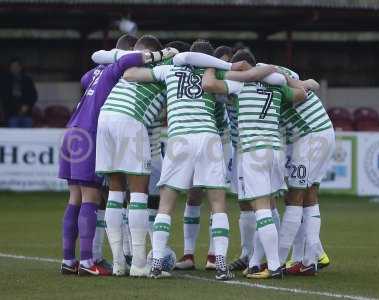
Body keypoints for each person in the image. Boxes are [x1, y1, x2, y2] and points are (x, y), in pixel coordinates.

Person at [122, 39, 279, 280]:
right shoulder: (215, 72)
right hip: (209, 138)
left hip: (180, 138)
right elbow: (251, 76)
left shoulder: (170, 69)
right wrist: (273, 69)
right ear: (210, 58)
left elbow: (130, 74)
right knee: (218, 204)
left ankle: (156, 263)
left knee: (167, 203)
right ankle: (221, 265)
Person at [59, 34, 173, 276]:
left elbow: (87, 72)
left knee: (83, 197)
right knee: (110, 195)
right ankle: (116, 263)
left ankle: (76, 260)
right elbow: (131, 62)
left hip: (76, 129)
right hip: (98, 129)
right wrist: (163, 55)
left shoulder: (101, 70)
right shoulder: (135, 66)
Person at [201, 49, 307, 279]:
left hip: (252, 151)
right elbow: (303, 94)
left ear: (243, 66)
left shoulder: (240, 86)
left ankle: (274, 266)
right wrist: (282, 77)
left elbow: (208, 84)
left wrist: (213, 66)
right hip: (275, 151)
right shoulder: (276, 87)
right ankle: (260, 262)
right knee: (269, 206)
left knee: (260, 209)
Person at [94, 35, 178, 277]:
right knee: (139, 194)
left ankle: (120, 263)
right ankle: (140, 264)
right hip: (130, 120)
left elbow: (99, 55)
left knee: (115, 192)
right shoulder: (165, 68)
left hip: (106, 117)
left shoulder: (125, 62)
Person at [175, 46, 234, 271]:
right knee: (193, 195)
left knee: (216, 198)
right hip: (201, 138)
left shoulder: (219, 75)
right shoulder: (195, 74)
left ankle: (212, 256)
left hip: (221, 140)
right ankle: (188, 255)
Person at [277, 66, 335, 275]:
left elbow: (306, 86)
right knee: (309, 193)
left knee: (296, 197)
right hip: (321, 134)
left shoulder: (271, 83)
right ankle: (307, 258)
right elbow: (310, 83)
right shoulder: (284, 77)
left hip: (312, 138)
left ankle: (290, 261)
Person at [0, 58, 37, 128]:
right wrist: (15, 108)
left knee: (28, 136)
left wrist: (27, 106)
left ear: (20, 67)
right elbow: (4, 97)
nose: (14, 68)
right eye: (12, 66)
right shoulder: (4, 81)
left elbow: (33, 95)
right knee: (13, 136)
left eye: (16, 66)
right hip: (11, 115)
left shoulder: (27, 80)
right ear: (10, 68)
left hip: (26, 114)